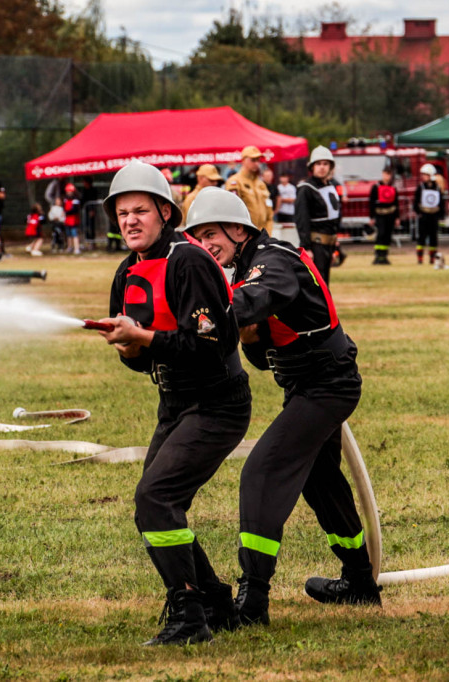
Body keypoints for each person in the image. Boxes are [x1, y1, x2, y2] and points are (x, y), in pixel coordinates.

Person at [182, 187, 379, 625]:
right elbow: (258, 350)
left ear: (238, 230)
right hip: (307, 388)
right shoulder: (244, 268)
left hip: (327, 385)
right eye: (197, 238)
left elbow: (259, 297)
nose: (204, 245)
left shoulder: (272, 260)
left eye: (210, 234)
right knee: (321, 483)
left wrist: (212, 312)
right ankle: (361, 584)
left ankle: (253, 603)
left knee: (263, 471)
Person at [94, 160, 251, 646]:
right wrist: (131, 350)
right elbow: (145, 358)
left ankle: (189, 617)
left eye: (141, 210)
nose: (130, 221)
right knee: (157, 506)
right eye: (122, 214)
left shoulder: (189, 262)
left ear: (166, 211)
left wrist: (145, 338)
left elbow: (209, 347)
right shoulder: (128, 271)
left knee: (155, 499)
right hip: (175, 400)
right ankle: (215, 603)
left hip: (217, 402)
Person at [295, 146, 342, 284]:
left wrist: (335, 245)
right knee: (317, 285)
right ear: (312, 167)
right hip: (316, 246)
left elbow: (334, 217)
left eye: (325, 164)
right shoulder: (306, 189)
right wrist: (307, 247)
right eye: (318, 164)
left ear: (330, 167)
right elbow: (302, 220)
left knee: (325, 284)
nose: (322, 167)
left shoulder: (330, 186)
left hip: (329, 245)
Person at [226, 146, 273, 233]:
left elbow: (269, 214)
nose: (257, 163)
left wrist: (268, 234)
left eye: (258, 160)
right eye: (253, 160)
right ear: (243, 161)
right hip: (245, 235)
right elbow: (232, 213)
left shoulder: (261, 184)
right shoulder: (235, 182)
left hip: (263, 235)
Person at [413, 164, 444, 266]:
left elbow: (441, 202)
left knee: (433, 238)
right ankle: (420, 258)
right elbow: (416, 202)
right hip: (424, 216)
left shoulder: (437, 188)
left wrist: (440, 215)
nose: (423, 177)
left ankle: (432, 258)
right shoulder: (421, 187)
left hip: (433, 216)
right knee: (421, 238)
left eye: (425, 175)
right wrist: (419, 213)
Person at [368, 167, 399, 265]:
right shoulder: (376, 187)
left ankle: (384, 256)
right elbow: (371, 203)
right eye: (386, 174)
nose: (387, 177)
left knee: (387, 236)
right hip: (380, 215)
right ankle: (378, 256)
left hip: (390, 215)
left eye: (389, 174)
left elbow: (396, 204)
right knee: (380, 234)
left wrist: (397, 217)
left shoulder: (393, 188)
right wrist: (372, 217)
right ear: (382, 174)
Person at [63, 183, 82, 255]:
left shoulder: (75, 200)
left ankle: (77, 248)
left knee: (74, 234)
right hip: (67, 220)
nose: (69, 193)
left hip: (73, 220)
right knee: (68, 234)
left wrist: (67, 212)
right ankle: (70, 247)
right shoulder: (65, 199)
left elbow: (75, 210)